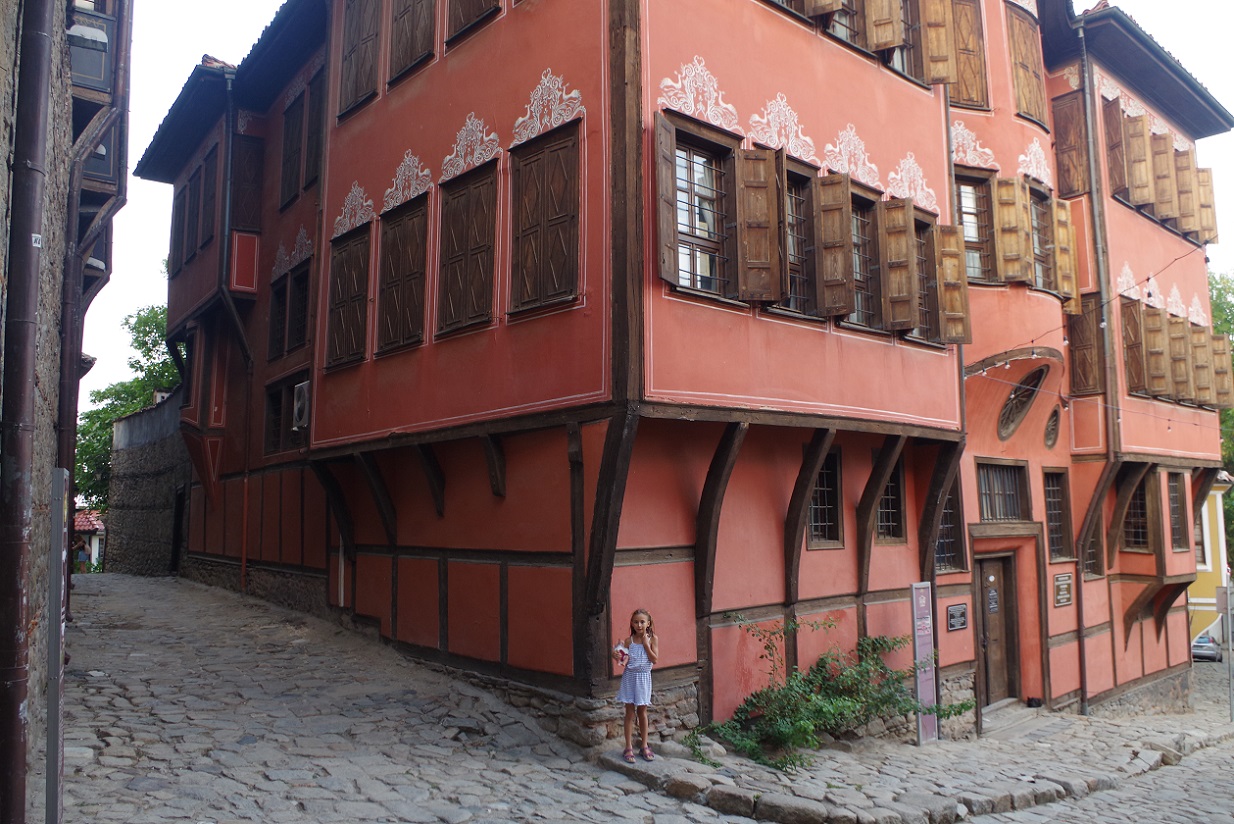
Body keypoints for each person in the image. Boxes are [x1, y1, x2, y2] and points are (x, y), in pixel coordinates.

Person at [612, 608, 659, 763]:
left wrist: (646, 645)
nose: (639, 625)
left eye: (642, 622)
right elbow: (622, 660)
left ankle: (644, 745)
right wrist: (617, 655)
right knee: (629, 713)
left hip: (644, 678)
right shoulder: (628, 641)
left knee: (642, 712)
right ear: (632, 624)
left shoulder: (652, 639)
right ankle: (628, 746)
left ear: (648, 623)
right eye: (636, 622)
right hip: (630, 678)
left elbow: (654, 659)